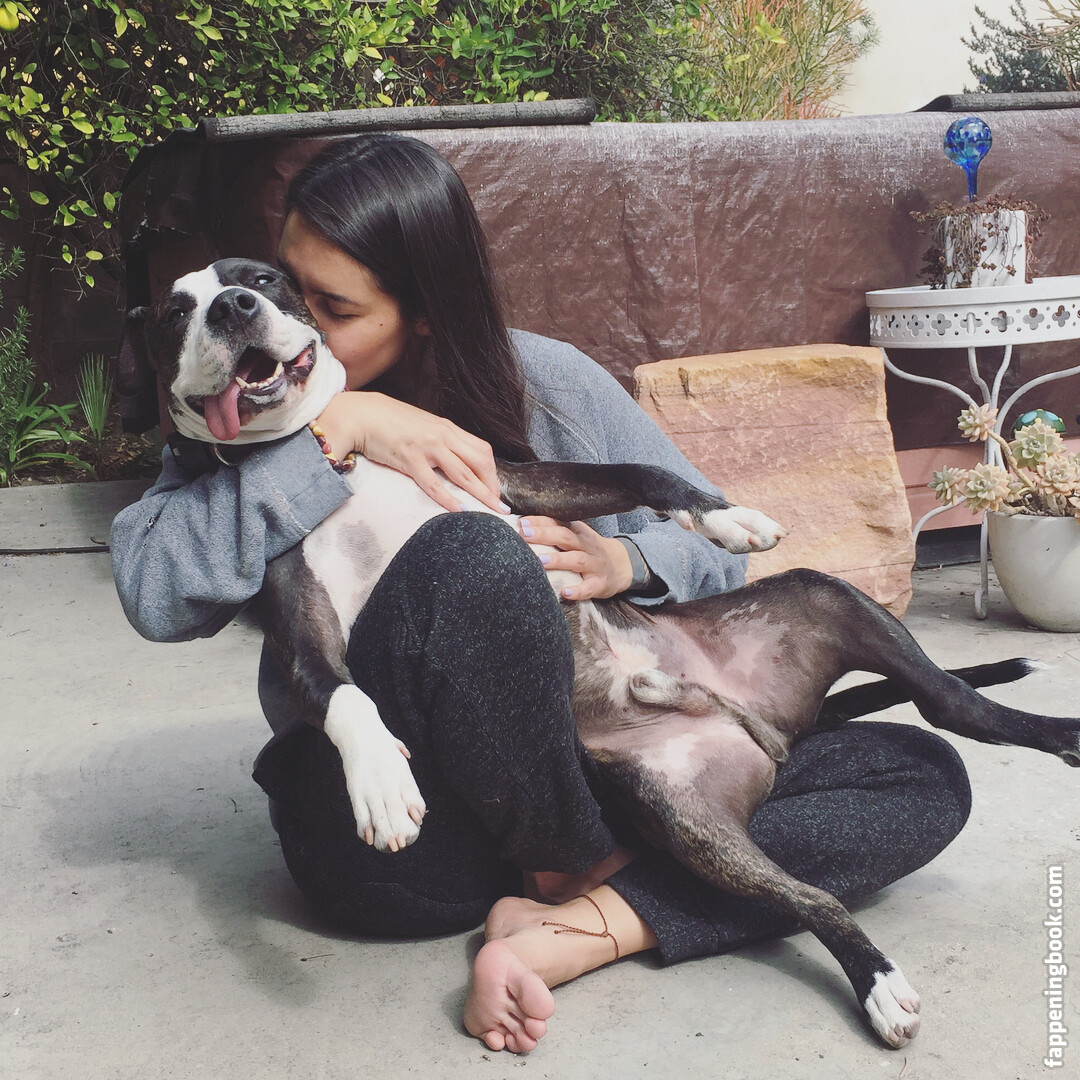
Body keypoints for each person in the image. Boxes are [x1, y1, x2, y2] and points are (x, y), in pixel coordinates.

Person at [110, 133, 972, 1054]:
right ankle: (597, 876)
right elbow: (156, 591)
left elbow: (720, 548)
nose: (289, 323)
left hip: (603, 772)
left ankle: (571, 929)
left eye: (332, 306)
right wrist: (343, 430)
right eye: (292, 285)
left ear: (425, 311)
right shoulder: (240, 425)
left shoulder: (542, 379)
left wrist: (624, 563)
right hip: (407, 840)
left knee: (919, 774)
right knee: (473, 552)